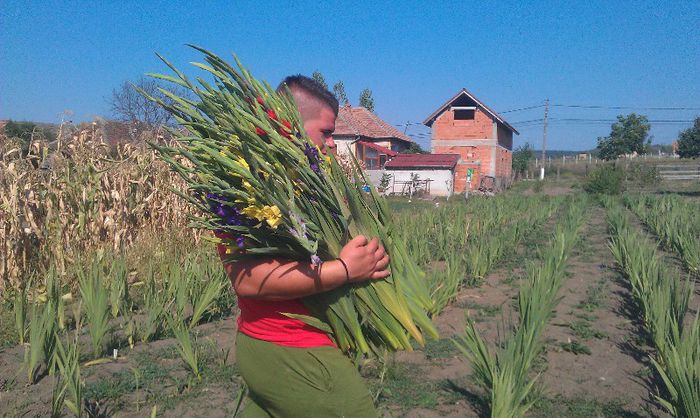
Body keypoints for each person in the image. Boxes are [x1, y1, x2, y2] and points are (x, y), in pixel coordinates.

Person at [217, 75, 389, 418]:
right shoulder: (243, 182)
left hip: (277, 350)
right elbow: (247, 280)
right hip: (291, 348)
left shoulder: (302, 183)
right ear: (289, 122)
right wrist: (344, 270)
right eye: (326, 132)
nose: (332, 144)